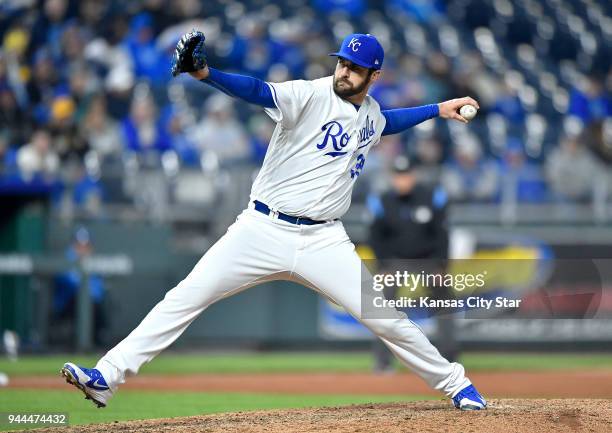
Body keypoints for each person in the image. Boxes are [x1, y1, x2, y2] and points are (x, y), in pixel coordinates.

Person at [61, 32, 486, 411]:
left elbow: (387, 123)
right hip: (261, 229)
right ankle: (106, 376)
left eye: (355, 68)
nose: (344, 71)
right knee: (185, 296)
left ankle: (456, 385)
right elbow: (258, 91)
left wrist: (437, 109)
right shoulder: (309, 94)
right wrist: (207, 73)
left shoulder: (371, 113)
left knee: (385, 317)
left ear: (373, 75)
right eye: (342, 62)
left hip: (323, 240)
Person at [369, 155, 457, 372]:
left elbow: (442, 234)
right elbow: (375, 237)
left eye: (406, 175)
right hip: (396, 261)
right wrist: (384, 266)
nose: (402, 180)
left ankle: (450, 358)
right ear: (392, 178)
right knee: (382, 305)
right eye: (398, 176)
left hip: (428, 260)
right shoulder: (383, 201)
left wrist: (441, 266)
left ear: (413, 175)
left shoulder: (431, 196)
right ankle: (382, 362)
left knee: (445, 303)